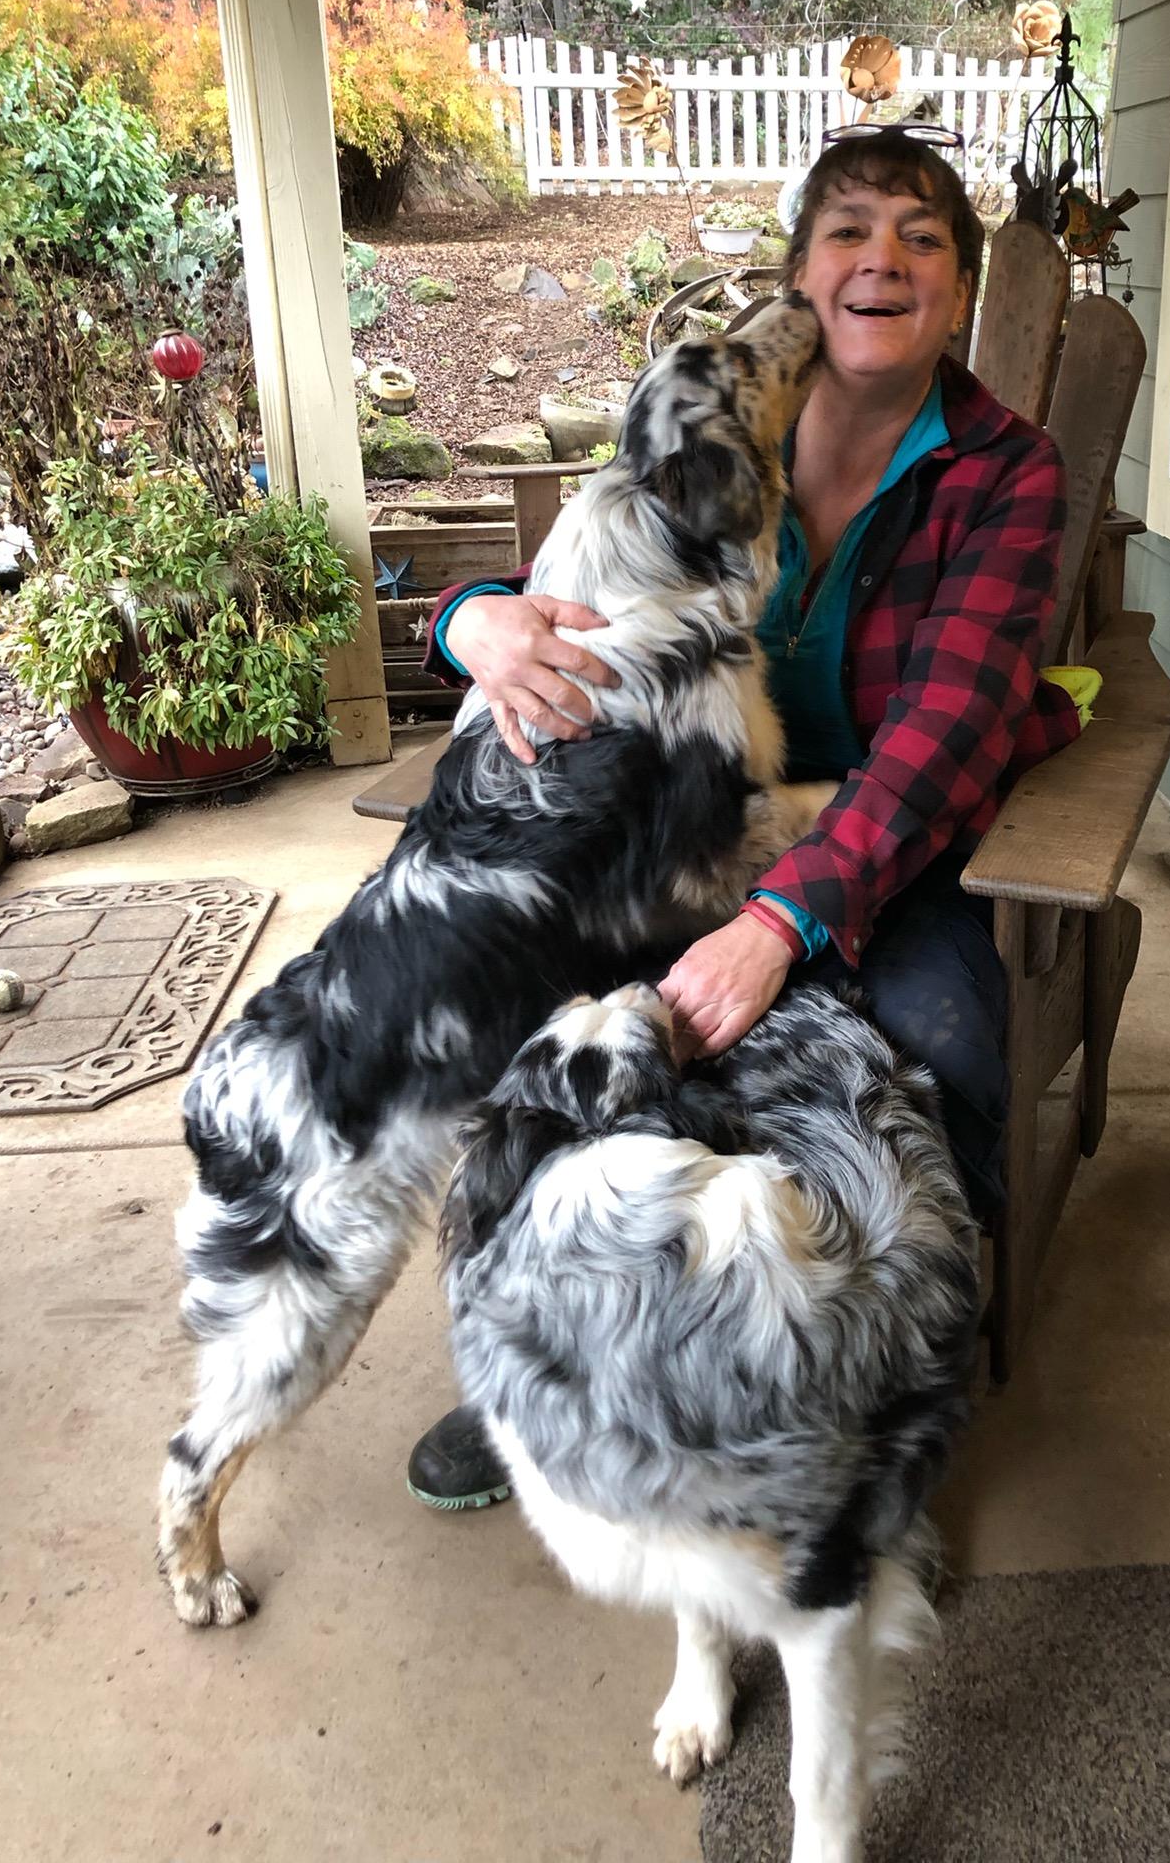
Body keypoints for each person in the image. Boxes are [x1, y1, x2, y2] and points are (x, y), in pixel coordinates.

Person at [404, 124, 1082, 1511]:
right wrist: (467, 621)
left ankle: (877, 1384)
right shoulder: (720, 425)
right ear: (800, 278)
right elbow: (569, 578)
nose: (883, 259)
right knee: (525, 1014)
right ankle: (549, 1334)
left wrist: (781, 922)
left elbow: (947, 735)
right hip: (681, 837)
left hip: (891, 848)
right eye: (848, 231)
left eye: (923, 237)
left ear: (958, 293)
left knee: (948, 1042)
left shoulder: (1004, 472)